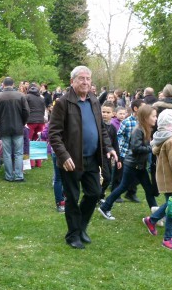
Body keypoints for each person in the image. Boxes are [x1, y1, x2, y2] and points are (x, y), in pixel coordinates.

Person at [49, 66, 117, 249]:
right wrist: (63, 156)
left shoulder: (93, 100)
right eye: (81, 78)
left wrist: (109, 147)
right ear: (72, 81)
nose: (85, 82)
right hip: (71, 161)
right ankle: (73, 235)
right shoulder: (63, 103)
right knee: (72, 197)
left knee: (94, 193)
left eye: (88, 78)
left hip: (92, 158)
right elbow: (54, 134)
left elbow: (101, 128)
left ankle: (80, 227)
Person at [140, 109, 172, 251]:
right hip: (171, 179)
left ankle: (152, 220)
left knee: (171, 204)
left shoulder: (162, 137)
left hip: (165, 178)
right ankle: (168, 238)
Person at [99, 104, 158, 220]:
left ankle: (156, 214)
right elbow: (136, 148)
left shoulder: (147, 129)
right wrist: (151, 148)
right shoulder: (138, 130)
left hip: (140, 166)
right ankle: (105, 207)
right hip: (132, 165)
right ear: (146, 117)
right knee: (122, 187)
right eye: (154, 116)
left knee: (148, 189)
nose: (156, 118)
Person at [0, 77, 30, 182]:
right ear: (13, 84)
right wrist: (23, 122)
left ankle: (9, 176)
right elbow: (26, 111)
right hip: (18, 127)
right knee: (18, 153)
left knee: (6, 153)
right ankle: (19, 176)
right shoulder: (20, 96)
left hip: (4, 128)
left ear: (3, 85)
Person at [26, 84, 46, 168]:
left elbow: (25, 109)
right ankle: (39, 163)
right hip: (40, 121)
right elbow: (43, 110)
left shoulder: (27, 97)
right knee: (38, 141)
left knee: (28, 141)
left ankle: (31, 163)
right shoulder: (41, 98)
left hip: (30, 121)